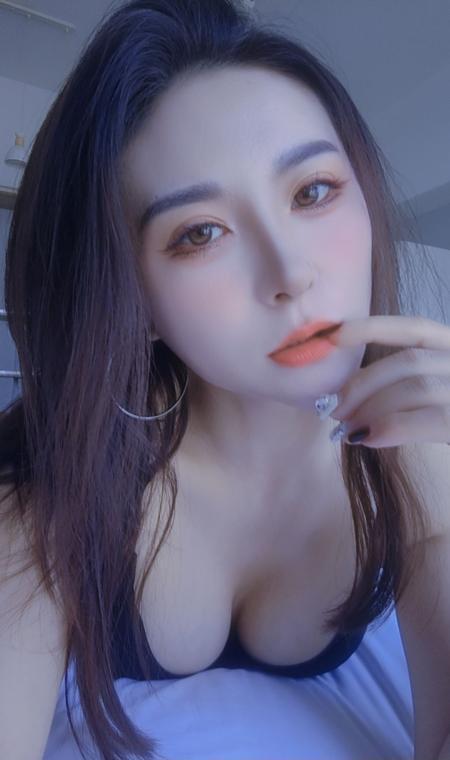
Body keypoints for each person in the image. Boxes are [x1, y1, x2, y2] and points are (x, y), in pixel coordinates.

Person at [0, 1, 449, 759]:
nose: (290, 273)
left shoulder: (420, 453)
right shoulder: (48, 496)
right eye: (200, 233)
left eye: (313, 191)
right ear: (133, 297)